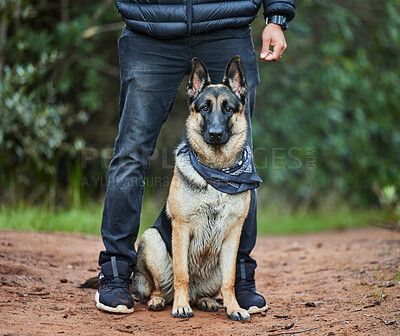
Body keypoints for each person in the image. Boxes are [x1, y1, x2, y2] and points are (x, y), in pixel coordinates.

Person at [96, 0, 296, 314]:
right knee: (130, 154)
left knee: (240, 158)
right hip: (149, 26)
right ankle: (115, 275)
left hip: (226, 22)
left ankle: (240, 280)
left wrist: (277, 15)